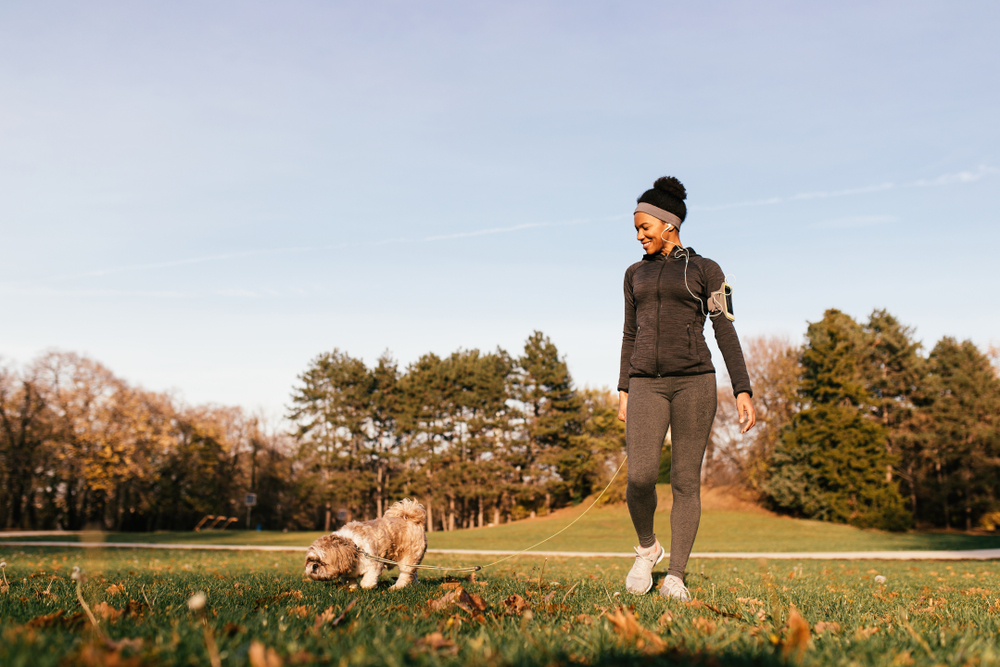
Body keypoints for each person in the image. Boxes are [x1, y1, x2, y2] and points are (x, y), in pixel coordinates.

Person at [617, 176, 756, 600]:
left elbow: (725, 332)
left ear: (668, 226)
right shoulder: (634, 275)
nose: (640, 236)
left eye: (645, 228)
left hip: (695, 382)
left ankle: (675, 574)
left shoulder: (705, 270)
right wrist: (623, 387)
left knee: (684, 481)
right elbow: (628, 333)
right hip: (645, 384)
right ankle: (647, 549)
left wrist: (742, 388)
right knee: (639, 477)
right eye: (637, 230)